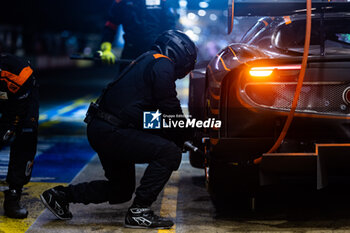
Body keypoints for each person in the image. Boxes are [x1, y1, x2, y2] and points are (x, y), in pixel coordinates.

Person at [40, 30, 197, 229]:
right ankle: (140, 211)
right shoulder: (162, 63)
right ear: (180, 52)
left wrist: (175, 133)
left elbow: (140, 114)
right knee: (169, 153)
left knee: (121, 190)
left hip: (104, 127)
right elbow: (169, 107)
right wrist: (185, 134)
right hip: (112, 130)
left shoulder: (146, 60)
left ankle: (61, 195)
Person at [0, 54, 39, 219]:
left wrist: (7, 131)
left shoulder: (19, 73)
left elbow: (15, 117)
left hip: (21, 100)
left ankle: (13, 195)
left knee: (26, 136)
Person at [99, 0, 178, 67]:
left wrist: (170, 52)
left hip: (156, 53)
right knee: (125, 84)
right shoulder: (122, 1)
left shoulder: (161, 1)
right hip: (130, 54)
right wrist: (106, 50)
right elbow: (110, 26)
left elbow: (170, 28)